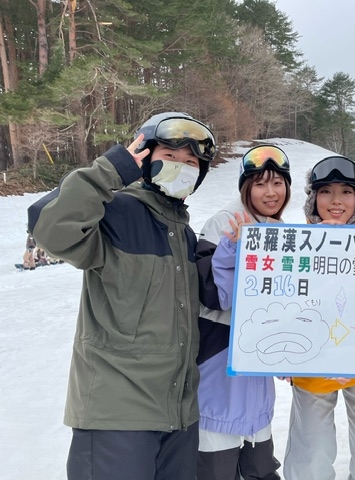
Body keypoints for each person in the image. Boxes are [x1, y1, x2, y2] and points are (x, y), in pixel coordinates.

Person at [27, 111, 217, 480]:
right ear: (145, 157)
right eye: (171, 156)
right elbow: (49, 228)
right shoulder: (115, 212)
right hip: (117, 416)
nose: (182, 167)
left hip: (178, 417)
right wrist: (110, 171)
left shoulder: (184, 234)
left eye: (192, 162)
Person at [283, 155, 355, 480]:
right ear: (313, 199)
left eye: (346, 192)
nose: (335, 201)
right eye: (325, 192)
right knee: (311, 456)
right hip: (313, 366)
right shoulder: (295, 247)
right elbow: (284, 302)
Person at [196, 144, 291, 480]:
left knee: (260, 467)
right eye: (260, 183)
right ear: (245, 187)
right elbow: (213, 295)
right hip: (220, 363)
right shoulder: (225, 221)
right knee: (216, 467)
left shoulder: (282, 233)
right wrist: (234, 249)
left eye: (278, 183)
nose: (271, 192)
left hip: (257, 374)